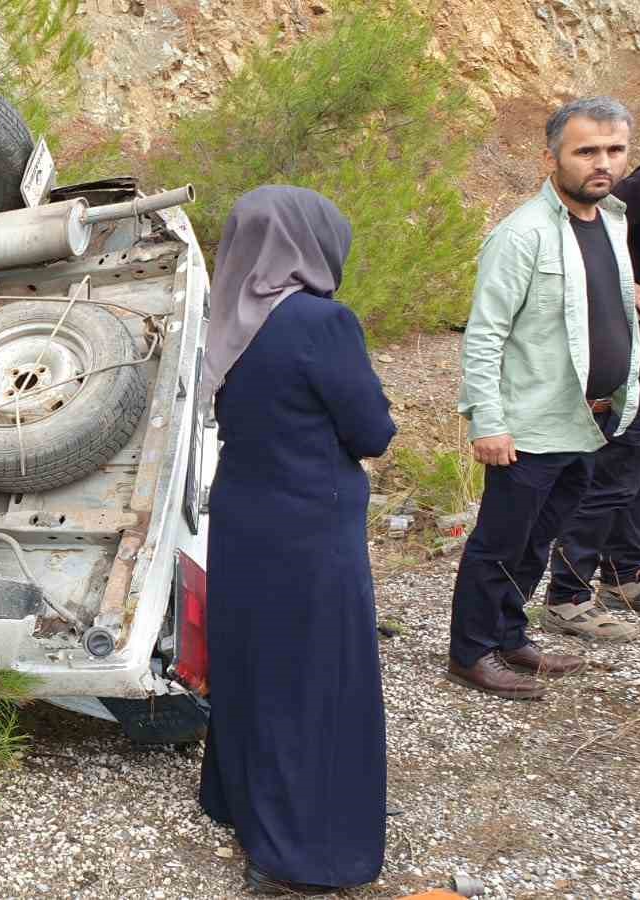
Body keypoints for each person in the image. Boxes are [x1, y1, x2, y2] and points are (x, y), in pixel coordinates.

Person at [198, 186, 396, 896]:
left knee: (255, 666)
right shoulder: (320, 322)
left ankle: (245, 805)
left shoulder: (227, 319)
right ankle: (302, 846)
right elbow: (370, 431)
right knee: (317, 678)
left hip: (244, 521)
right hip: (310, 528)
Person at [450, 97, 640, 700]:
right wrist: (488, 421)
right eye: (586, 151)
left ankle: (510, 636)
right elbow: (485, 335)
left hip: (589, 421)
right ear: (552, 156)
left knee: (538, 538)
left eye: (613, 150)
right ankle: (471, 651)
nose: (601, 163)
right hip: (528, 426)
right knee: (499, 542)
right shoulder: (522, 234)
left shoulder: (613, 219)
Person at [546, 144, 640, 622]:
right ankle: (567, 596)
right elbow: (588, 223)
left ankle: (623, 577)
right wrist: (625, 284)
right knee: (615, 477)